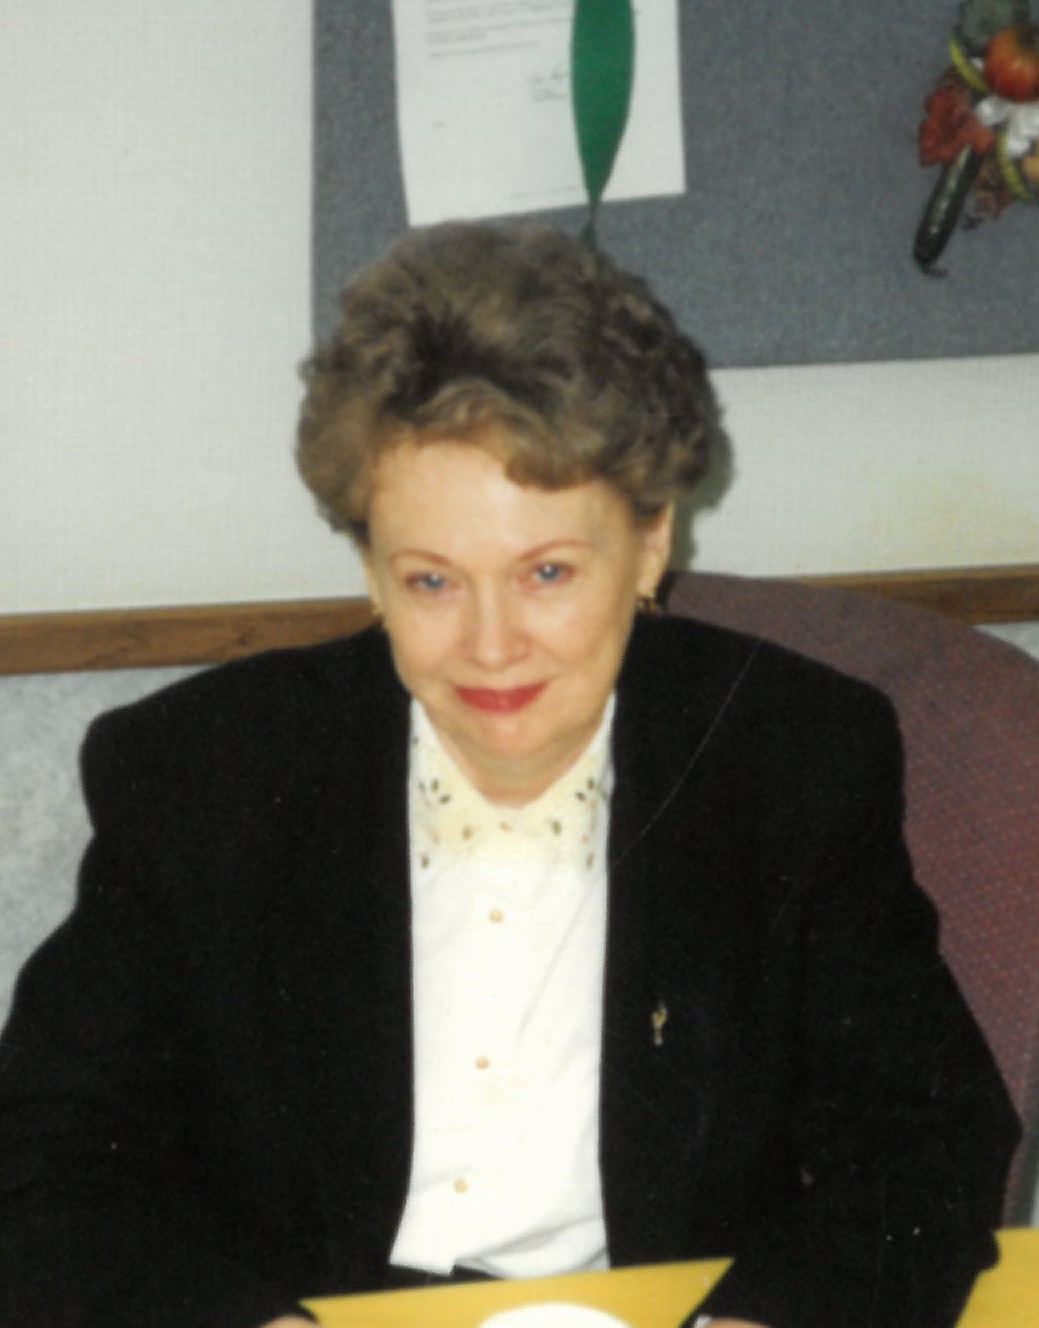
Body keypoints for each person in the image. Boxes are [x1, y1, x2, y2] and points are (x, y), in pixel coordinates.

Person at [0, 222, 1019, 1328]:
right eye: (432, 580)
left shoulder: (792, 756)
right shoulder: (205, 771)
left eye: (546, 573)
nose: (491, 647)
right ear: (371, 571)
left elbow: (926, 1133)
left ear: (649, 544)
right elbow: (45, 1151)